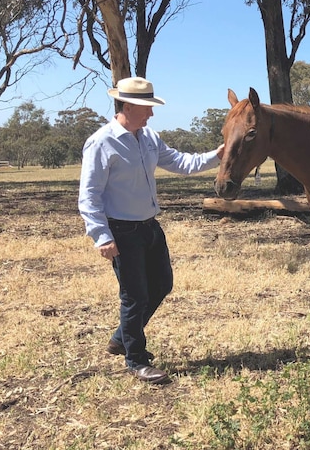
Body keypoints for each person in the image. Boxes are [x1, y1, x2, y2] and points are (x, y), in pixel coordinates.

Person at [78, 77, 224, 384]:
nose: (152, 115)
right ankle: (136, 360)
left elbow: (181, 162)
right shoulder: (102, 142)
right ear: (128, 106)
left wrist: (216, 155)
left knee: (162, 284)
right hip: (121, 230)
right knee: (135, 297)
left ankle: (121, 338)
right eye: (147, 108)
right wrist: (101, 236)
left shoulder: (148, 138)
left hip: (149, 227)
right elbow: (89, 195)